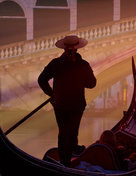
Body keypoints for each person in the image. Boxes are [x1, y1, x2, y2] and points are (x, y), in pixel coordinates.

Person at [38, 35, 97, 165]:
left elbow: (41, 80)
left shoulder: (55, 63)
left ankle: (63, 161)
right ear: (77, 49)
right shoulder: (83, 65)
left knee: (63, 133)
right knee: (72, 133)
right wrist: (81, 82)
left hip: (60, 103)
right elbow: (92, 83)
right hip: (76, 104)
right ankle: (65, 162)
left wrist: (52, 94)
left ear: (64, 48)